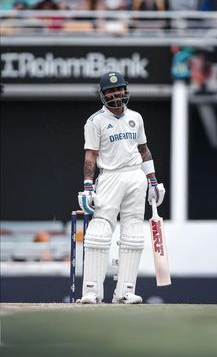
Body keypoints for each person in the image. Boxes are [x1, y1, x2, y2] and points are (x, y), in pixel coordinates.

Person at [78, 71, 165, 304]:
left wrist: (153, 182)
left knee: (134, 232)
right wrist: (88, 186)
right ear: (103, 94)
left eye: (119, 89)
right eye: (110, 91)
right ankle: (91, 291)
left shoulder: (136, 117)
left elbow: (144, 150)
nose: (116, 93)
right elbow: (91, 156)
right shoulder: (95, 121)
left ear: (125, 90)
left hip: (136, 176)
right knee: (99, 231)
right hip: (110, 177)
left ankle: (125, 291)